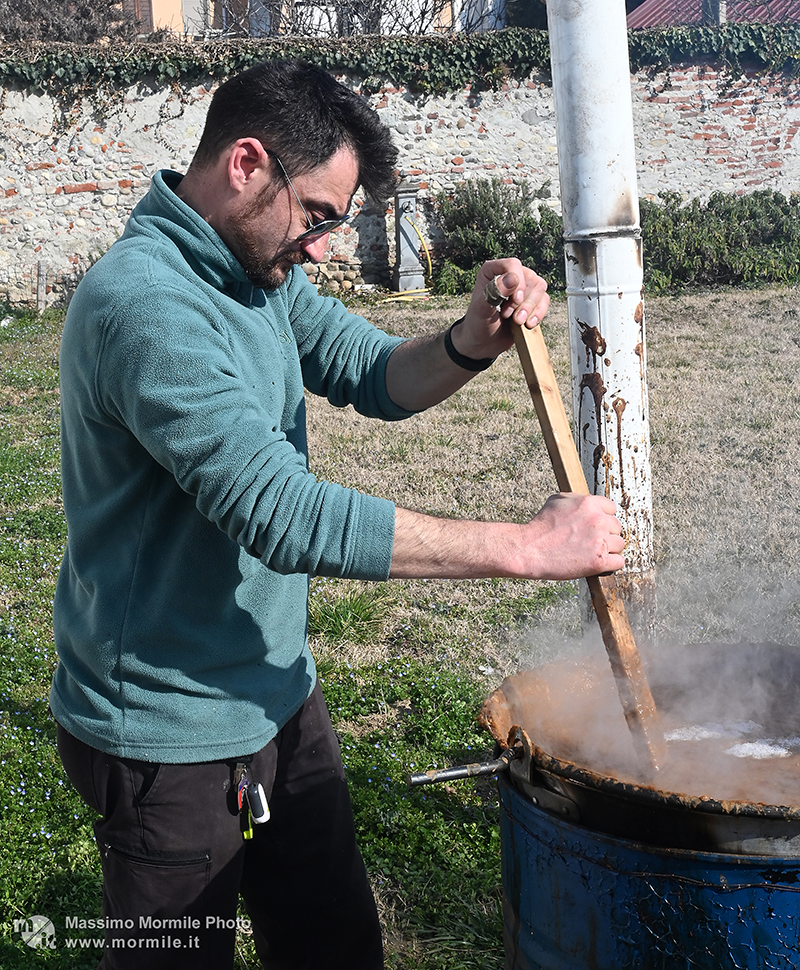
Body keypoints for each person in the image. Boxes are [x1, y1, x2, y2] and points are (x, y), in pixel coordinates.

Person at [51, 59, 624, 970]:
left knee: (336, 946)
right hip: (168, 730)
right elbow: (279, 513)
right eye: (316, 216)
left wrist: (471, 338)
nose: (322, 247)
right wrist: (528, 548)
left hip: (276, 690)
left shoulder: (258, 275)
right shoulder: (147, 305)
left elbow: (372, 373)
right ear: (246, 164)